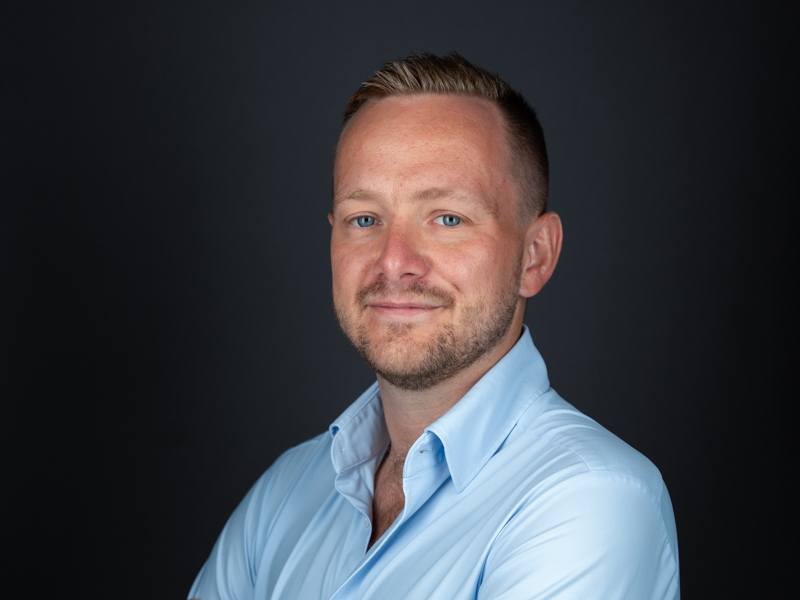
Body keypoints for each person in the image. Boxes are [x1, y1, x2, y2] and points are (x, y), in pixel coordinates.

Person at [188, 52, 680, 599]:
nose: (393, 260)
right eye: (364, 219)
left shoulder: (591, 501)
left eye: (447, 218)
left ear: (535, 256)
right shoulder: (284, 495)